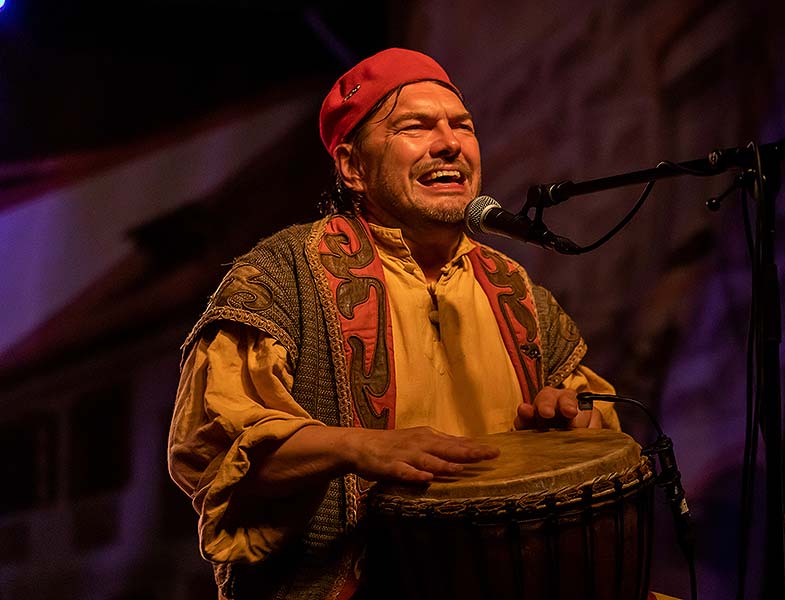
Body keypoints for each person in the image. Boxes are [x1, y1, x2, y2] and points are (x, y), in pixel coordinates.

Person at [168, 47, 620, 600]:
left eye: (462, 126)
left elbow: (600, 431)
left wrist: (571, 426)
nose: (450, 142)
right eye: (416, 126)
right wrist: (356, 447)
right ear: (352, 167)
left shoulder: (517, 291)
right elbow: (212, 451)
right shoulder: (279, 277)